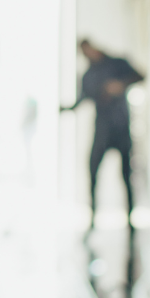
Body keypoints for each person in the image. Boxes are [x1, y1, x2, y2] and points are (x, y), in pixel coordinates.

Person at [62, 39, 144, 227]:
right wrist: (65, 109)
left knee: (126, 175)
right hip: (102, 131)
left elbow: (140, 75)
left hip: (122, 128)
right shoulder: (89, 75)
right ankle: (92, 215)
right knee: (92, 170)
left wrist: (120, 85)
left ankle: (130, 216)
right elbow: (82, 99)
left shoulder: (117, 63)